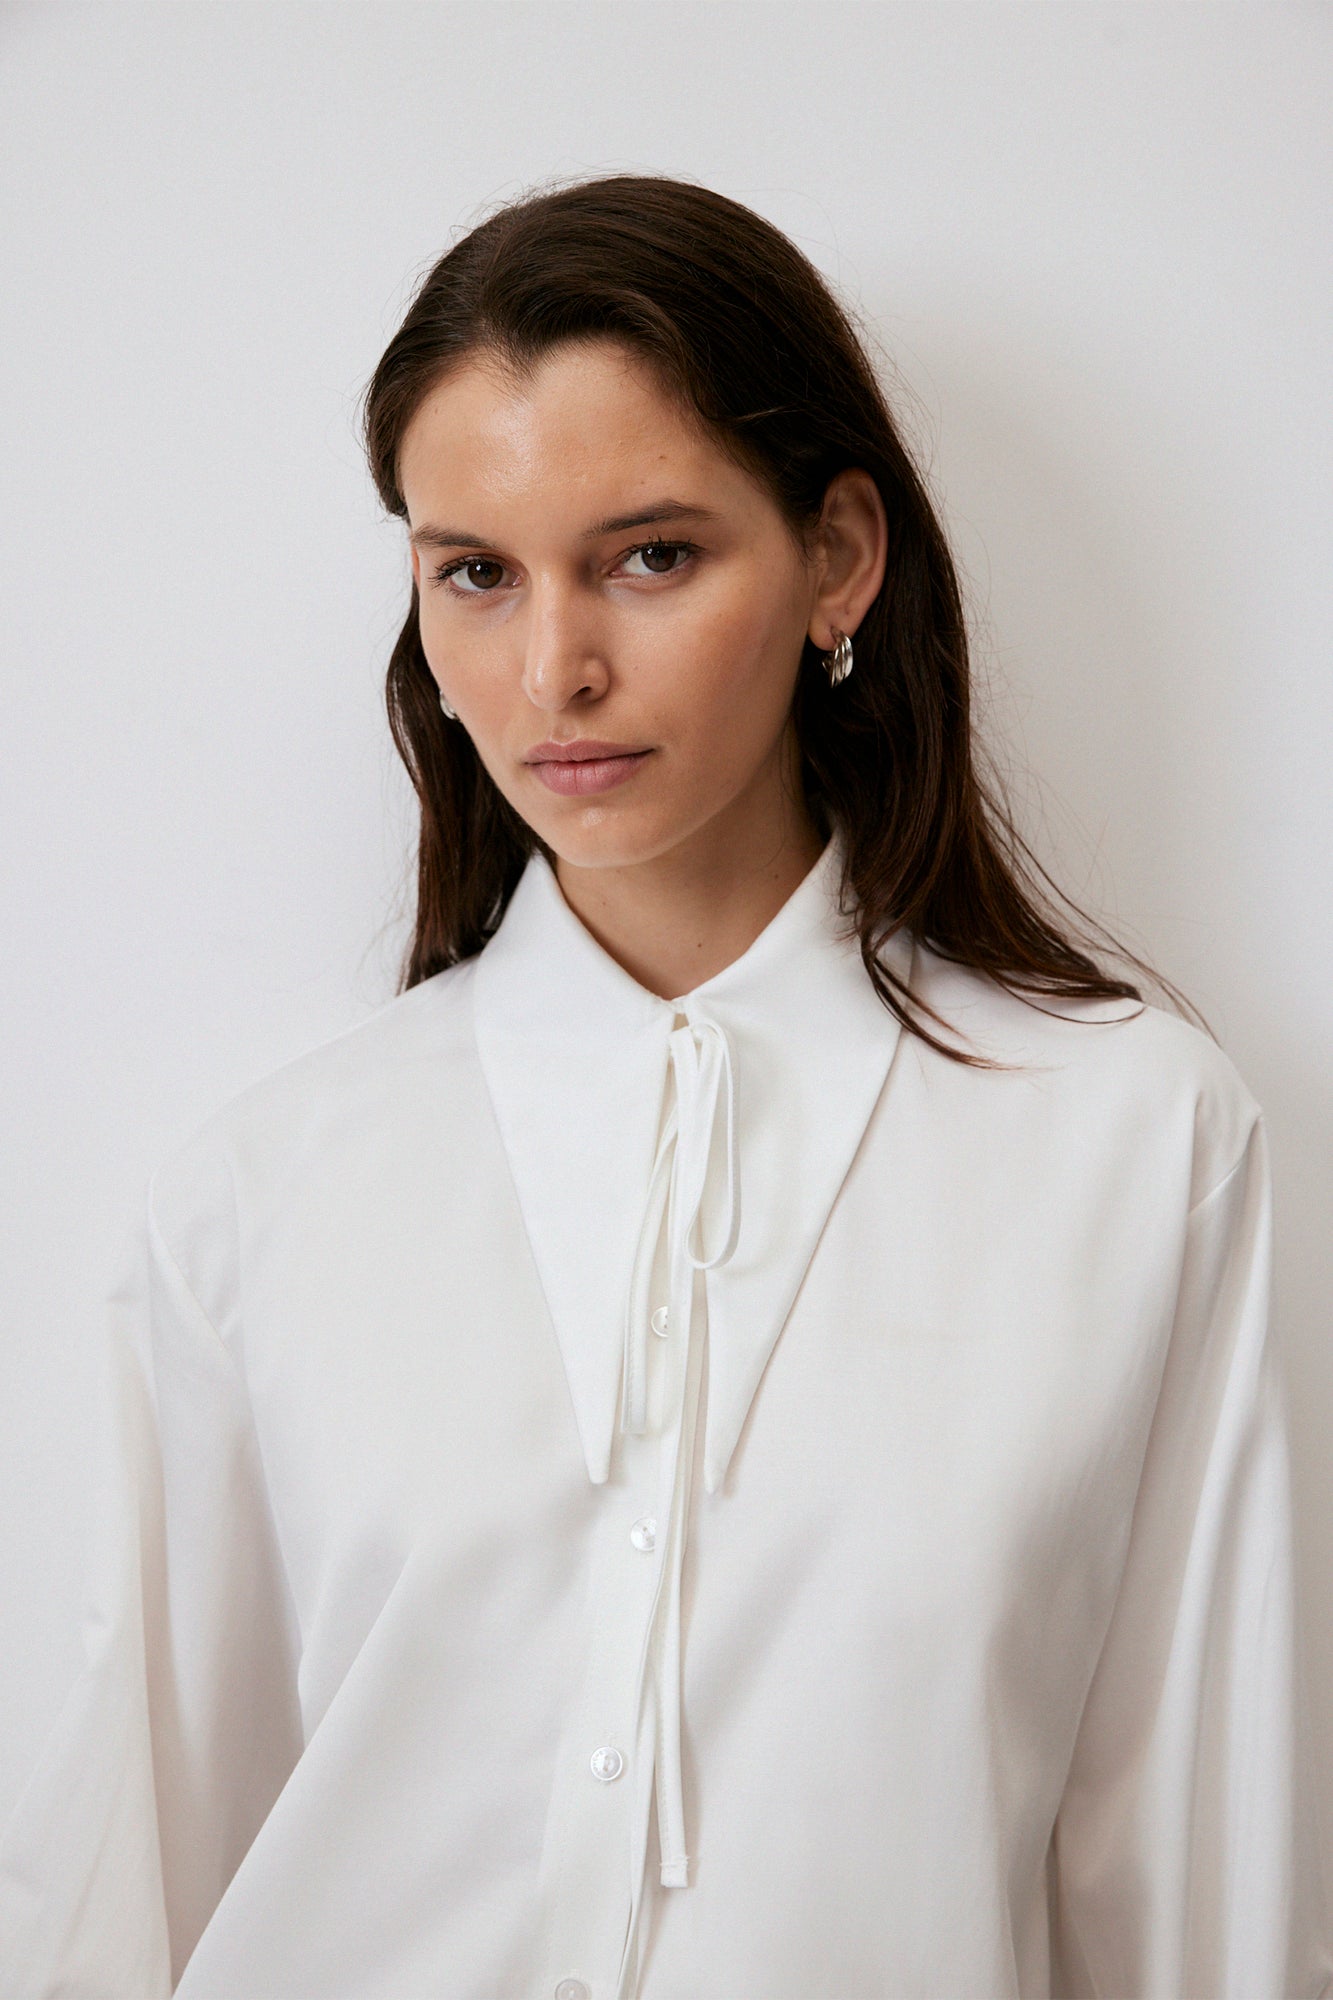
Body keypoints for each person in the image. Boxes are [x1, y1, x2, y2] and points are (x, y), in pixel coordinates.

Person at [0, 171, 1327, 2000]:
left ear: (836, 558)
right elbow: (139, 1881)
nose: (554, 669)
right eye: (475, 573)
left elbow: (1191, 1893)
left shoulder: (1131, 1145)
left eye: (650, 557)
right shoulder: (258, 1198)